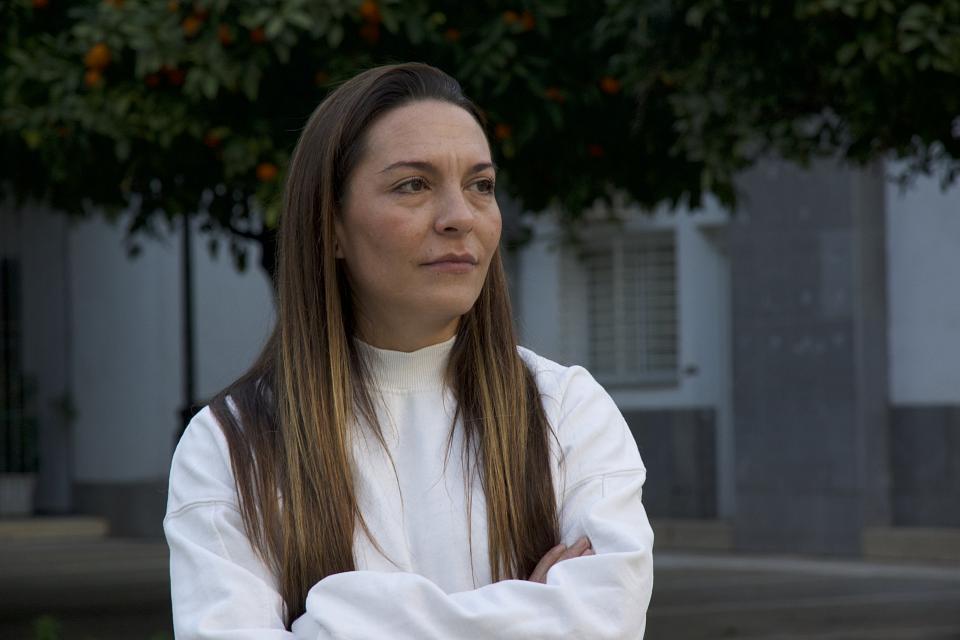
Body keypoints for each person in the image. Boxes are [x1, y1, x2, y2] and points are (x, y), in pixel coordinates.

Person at [164, 62, 654, 639]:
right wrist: (532, 613)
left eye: (481, 185)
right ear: (332, 227)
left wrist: (331, 616)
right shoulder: (233, 442)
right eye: (413, 185)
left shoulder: (565, 410)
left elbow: (605, 622)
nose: (459, 217)